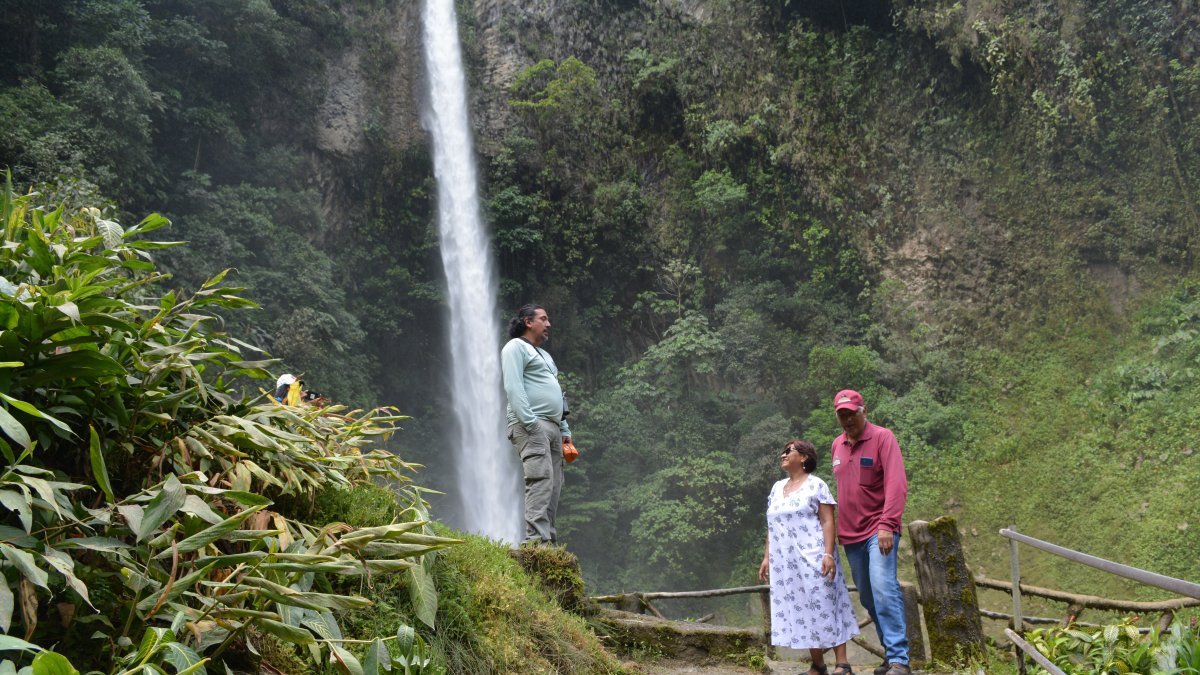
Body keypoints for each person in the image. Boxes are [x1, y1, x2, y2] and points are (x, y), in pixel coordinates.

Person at [759, 439, 858, 675]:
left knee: (824, 603)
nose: (782, 455)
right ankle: (818, 665)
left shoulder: (816, 485)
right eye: (782, 451)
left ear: (803, 457)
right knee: (802, 608)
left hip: (814, 555)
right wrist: (766, 558)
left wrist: (828, 553)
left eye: (788, 451)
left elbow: (827, 520)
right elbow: (772, 526)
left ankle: (842, 664)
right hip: (786, 563)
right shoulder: (776, 488)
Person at [829, 390, 910, 675]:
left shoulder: (882, 438)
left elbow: (897, 484)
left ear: (864, 411)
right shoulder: (837, 446)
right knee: (867, 596)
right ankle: (890, 655)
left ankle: (900, 659)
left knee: (883, 587)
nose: (848, 419)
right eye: (842, 414)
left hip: (879, 529)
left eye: (852, 413)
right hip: (851, 535)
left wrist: (888, 523)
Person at [501, 304, 572, 545]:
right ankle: (535, 543)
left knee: (554, 486)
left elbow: (559, 396)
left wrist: (565, 430)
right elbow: (513, 387)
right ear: (528, 322)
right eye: (544, 318)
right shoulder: (515, 348)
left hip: (552, 427)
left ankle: (548, 541)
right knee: (540, 479)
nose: (549, 324)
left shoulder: (545, 356)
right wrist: (531, 423)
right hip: (531, 424)